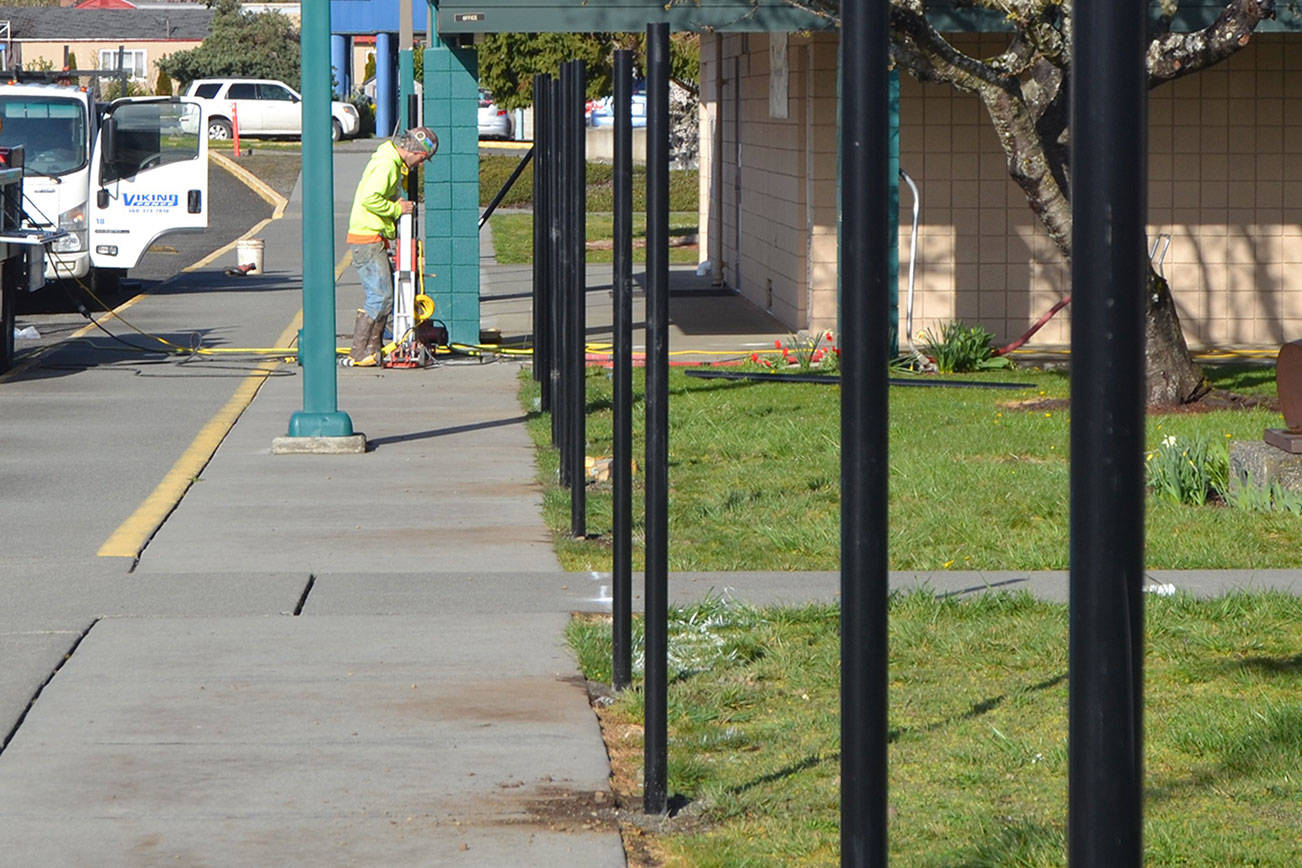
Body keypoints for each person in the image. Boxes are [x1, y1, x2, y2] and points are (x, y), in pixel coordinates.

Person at [343, 126, 438, 366]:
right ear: (416, 153)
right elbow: (370, 198)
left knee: (385, 297)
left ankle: (373, 350)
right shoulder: (386, 165)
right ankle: (359, 351)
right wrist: (397, 208)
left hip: (373, 237)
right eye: (422, 159)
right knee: (380, 296)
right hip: (367, 237)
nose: (420, 164)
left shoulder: (391, 162)